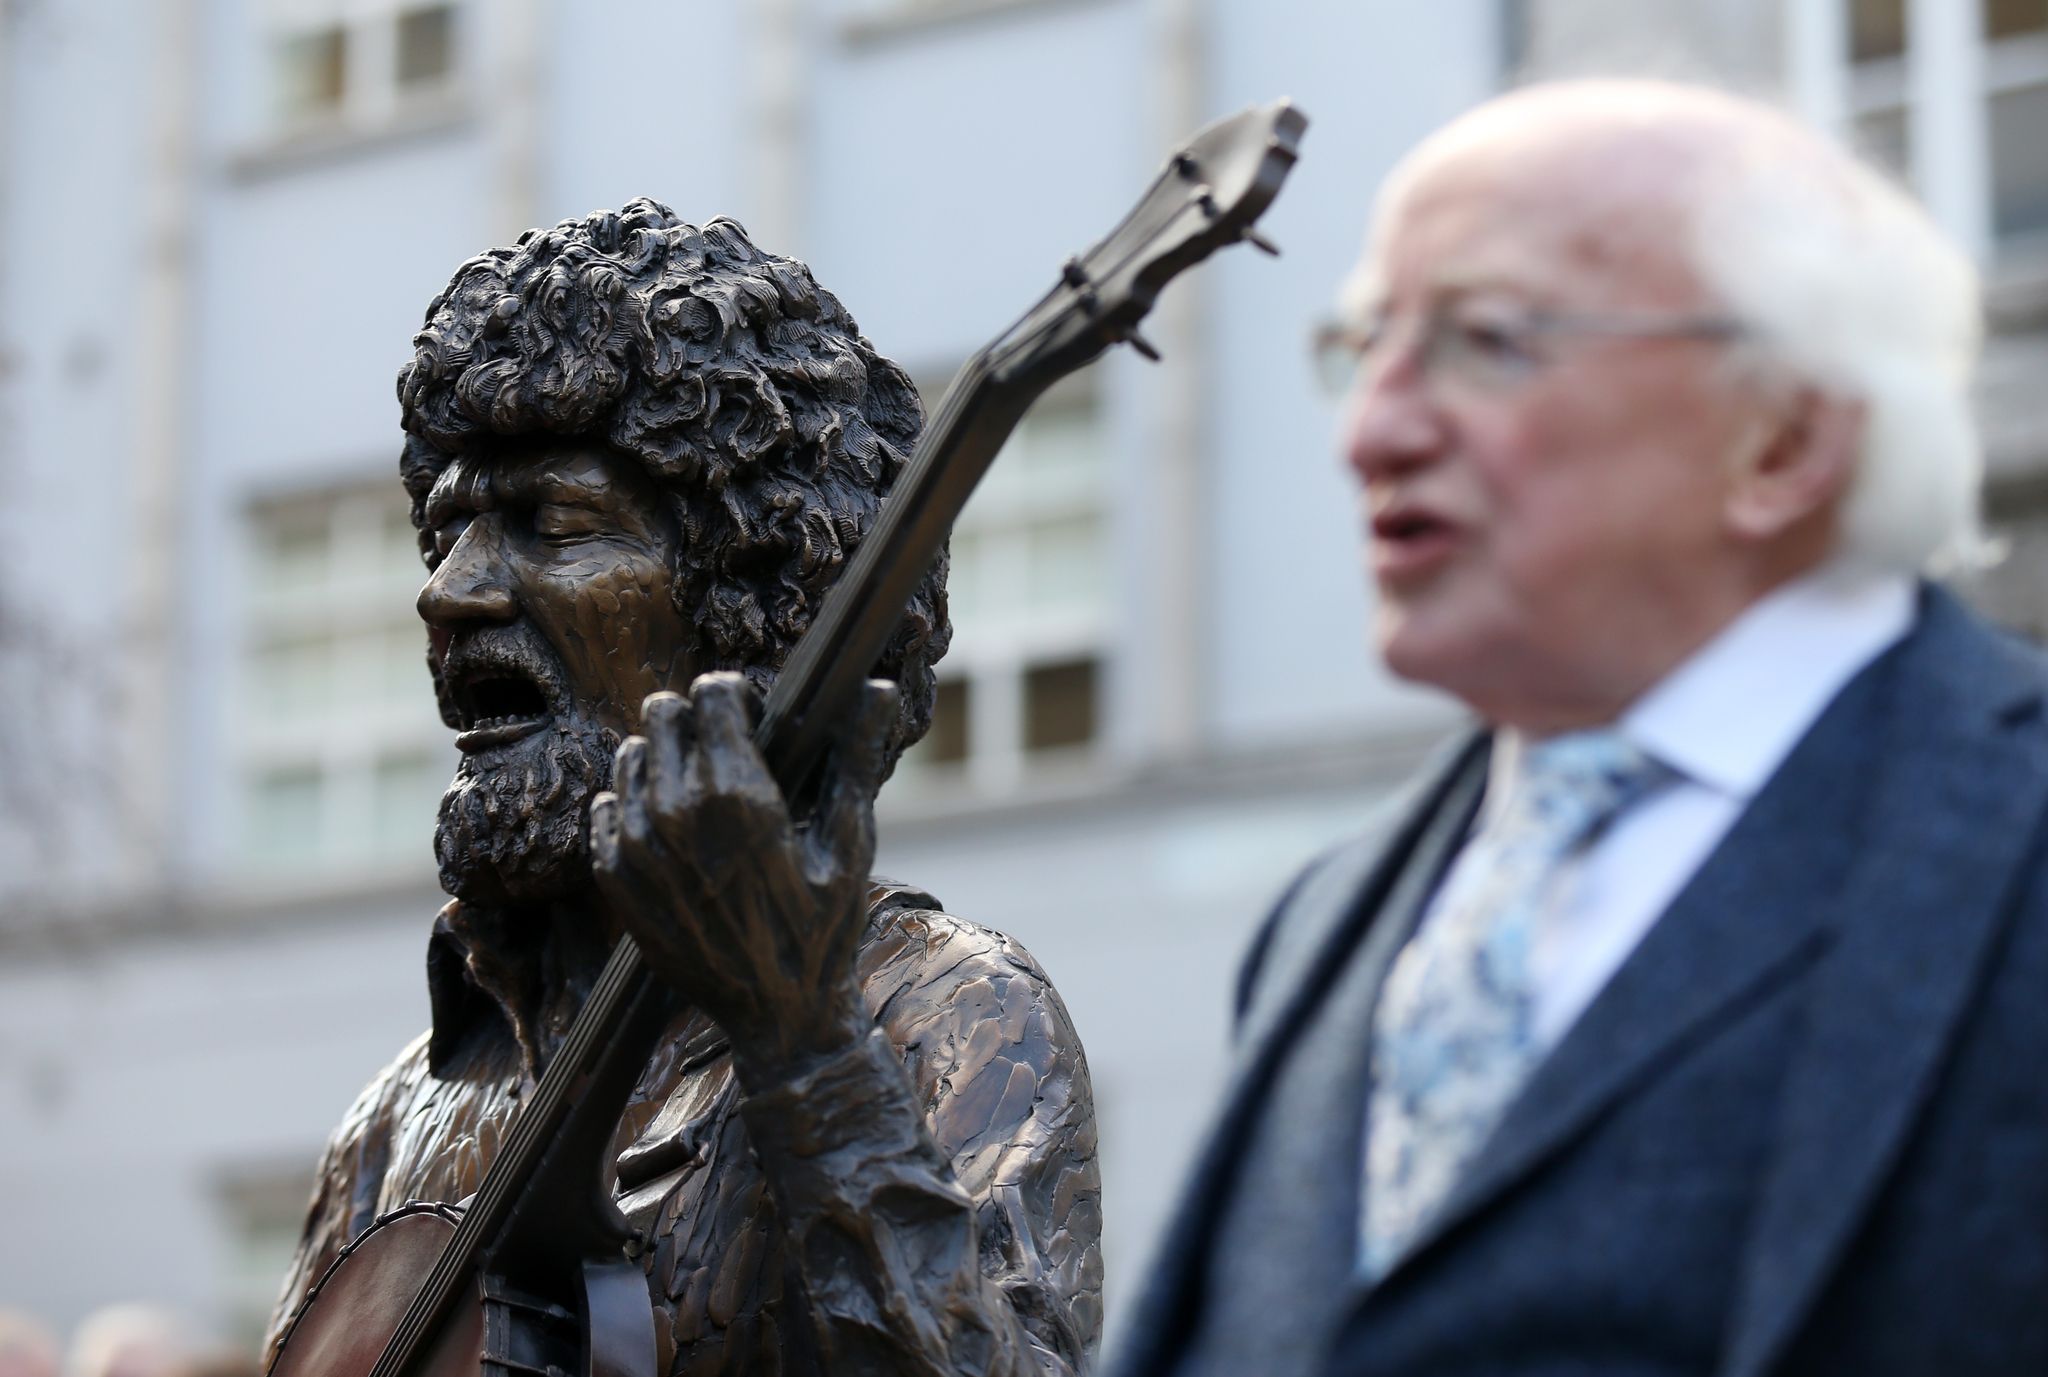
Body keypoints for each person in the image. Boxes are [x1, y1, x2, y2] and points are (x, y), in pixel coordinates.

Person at [1111, 78, 2048, 1376]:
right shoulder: (1322, 921)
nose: (1370, 433)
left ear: (1780, 438)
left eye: (1487, 339)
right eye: (1365, 345)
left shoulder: (2010, 830)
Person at [265, 202, 1101, 1375]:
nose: (447, 590)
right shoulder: (397, 1119)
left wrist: (802, 1049)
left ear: (742, 604)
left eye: (552, 522)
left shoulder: (937, 1012)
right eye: (446, 528)